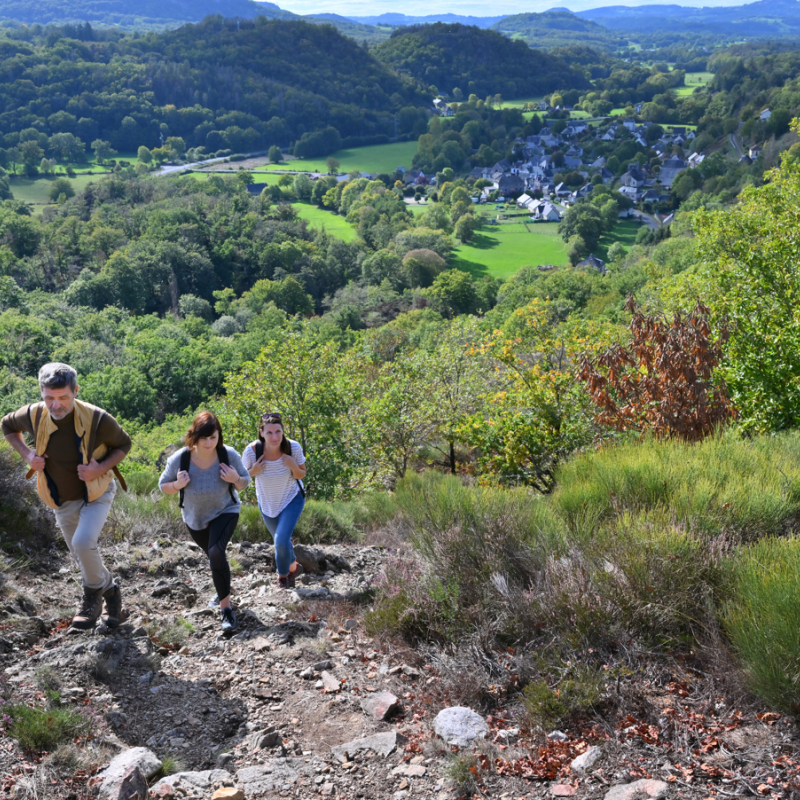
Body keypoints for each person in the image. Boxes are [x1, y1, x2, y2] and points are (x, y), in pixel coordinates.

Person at [2, 363, 131, 630]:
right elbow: (7, 425)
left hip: (96, 492)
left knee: (84, 544)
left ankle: (91, 598)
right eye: (49, 398)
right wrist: (28, 456)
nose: (56, 405)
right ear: (41, 393)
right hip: (59, 496)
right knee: (79, 554)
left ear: (75, 391)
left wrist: (99, 467)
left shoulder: (98, 419)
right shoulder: (34, 415)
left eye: (63, 398)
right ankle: (111, 592)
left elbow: (124, 444)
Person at [159, 411, 249, 632]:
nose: (209, 443)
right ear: (194, 437)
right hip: (194, 518)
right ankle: (222, 592)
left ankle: (226, 610)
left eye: (214, 437)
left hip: (226, 510)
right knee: (215, 556)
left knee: (217, 551)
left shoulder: (228, 455)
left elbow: (244, 482)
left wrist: (235, 479)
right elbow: (163, 486)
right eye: (204, 438)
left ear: (219, 436)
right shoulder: (181, 459)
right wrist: (178, 485)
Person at [242, 412, 307, 589]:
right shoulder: (252, 451)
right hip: (267, 503)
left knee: (279, 541)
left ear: (283, 431)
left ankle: (283, 577)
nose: (274, 437)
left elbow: (301, 474)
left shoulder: (292, 448)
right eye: (269, 432)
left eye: (278, 431)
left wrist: (293, 465)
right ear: (261, 432)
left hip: (291, 499)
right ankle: (294, 568)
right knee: (283, 543)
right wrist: (252, 472)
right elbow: (241, 480)